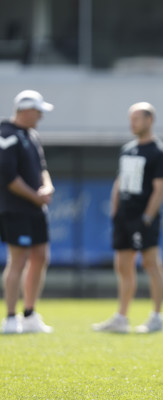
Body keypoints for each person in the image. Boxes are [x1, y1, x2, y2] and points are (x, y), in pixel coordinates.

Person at [92, 102, 163, 334]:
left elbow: (160, 188)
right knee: (123, 265)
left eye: (136, 118)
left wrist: (147, 216)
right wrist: (115, 211)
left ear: (149, 120)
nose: (132, 123)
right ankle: (121, 317)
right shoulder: (127, 149)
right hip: (123, 217)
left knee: (150, 263)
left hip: (143, 217)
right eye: (131, 118)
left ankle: (156, 316)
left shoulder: (158, 152)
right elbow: (119, 182)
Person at [0, 90, 55, 334]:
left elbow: (42, 168)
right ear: (26, 109)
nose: (41, 116)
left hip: (36, 209)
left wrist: (47, 186)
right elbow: (9, 178)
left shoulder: (32, 135)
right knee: (18, 260)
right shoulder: (6, 136)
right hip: (16, 209)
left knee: (40, 257)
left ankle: (29, 314)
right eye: (38, 111)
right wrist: (36, 196)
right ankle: (11, 318)